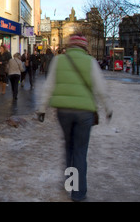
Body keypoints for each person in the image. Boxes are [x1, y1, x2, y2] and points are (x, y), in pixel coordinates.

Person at [36, 34, 113, 202]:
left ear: (70, 46)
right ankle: (78, 193)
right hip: (84, 113)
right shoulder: (90, 62)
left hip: (63, 111)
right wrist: (108, 108)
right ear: (84, 47)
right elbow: (101, 87)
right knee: (80, 151)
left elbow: (49, 85)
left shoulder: (59, 60)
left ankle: (70, 183)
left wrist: (42, 108)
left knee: (69, 147)